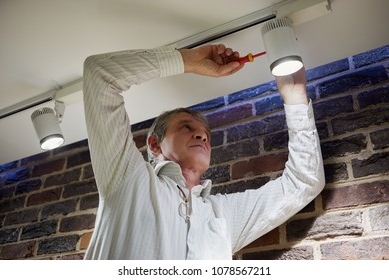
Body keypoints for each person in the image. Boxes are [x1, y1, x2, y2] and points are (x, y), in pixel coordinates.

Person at [82, 44, 325, 259]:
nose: (201, 135)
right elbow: (100, 75)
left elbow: (303, 182)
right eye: (186, 127)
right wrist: (189, 60)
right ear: (155, 145)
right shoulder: (130, 179)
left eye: (206, 135)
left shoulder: (223, 214)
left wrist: (295, 97)